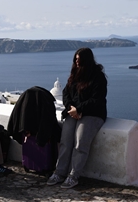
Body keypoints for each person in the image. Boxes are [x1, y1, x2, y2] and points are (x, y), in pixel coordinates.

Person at [46, 47, 107, 189]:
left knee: (80, 143)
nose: (77, 62)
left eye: (79, 59)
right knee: (65, 141)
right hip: (73, 112)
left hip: (92, 114)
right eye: (76, 59)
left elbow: (97, 99)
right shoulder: (75, 75)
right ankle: (59, 172)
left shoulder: (98, 77)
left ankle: (74, 175)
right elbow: (66, 93)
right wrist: (71, 109)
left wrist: (78, 109)